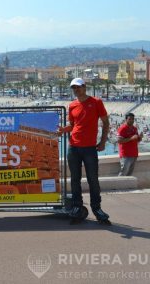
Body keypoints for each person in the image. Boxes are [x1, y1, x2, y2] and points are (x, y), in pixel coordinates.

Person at [58, 78, 111, 223]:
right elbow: (73, 125)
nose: (76, 90)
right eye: (73, 88)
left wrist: (103, 142)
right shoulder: (72, 105)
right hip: (73, 147)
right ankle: (77, 207)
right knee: (75, 179)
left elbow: (106, 123)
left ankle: (97, 208)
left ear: (85, 87)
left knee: (93, 179)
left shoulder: (96, 102)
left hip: (89, 148)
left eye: (78, 87)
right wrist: (64, 130)